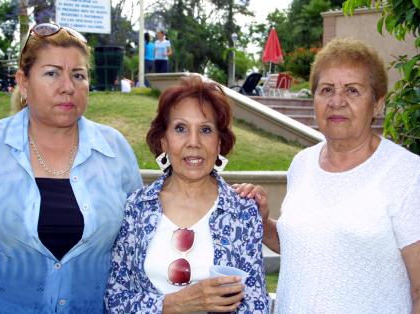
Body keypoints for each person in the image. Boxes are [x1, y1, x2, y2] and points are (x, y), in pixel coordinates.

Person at [238, 37, 420, 313]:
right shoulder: (302, 163)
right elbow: (306, 247)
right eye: (326, 90)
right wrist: (263, 223)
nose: (337, 101)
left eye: (352, 90)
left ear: (378, 103)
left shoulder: (406, 172)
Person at [0, 23, 143, 313]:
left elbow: (140, 238)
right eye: (52, 73)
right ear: (23, 82)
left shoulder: (114, 150)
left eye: (78, 75)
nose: (67, 87)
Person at [105, 75, 268, 313]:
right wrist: (174, 304)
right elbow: (114, 299)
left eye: (205, 129)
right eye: (181, 128)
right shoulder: (136, 207)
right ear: (163, 141)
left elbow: (256, 305)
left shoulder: (242, 212)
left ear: (219, 143)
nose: (194, 142)